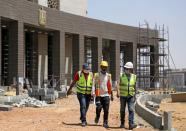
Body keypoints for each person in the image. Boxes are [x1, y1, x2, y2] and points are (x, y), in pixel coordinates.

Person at [92, 60, 113, 128]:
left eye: (105, 67)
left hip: (106, 95)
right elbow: (93, 84)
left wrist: (111, 94)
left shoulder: (109, 76)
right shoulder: (96, 75)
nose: (104, 68)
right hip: (98, 95)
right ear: (101, 67)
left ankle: (105, 122)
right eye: (103, 67)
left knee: (106, 110)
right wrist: (92, 93)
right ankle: (97, 116)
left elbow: (110, 85)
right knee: (99, 107)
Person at [116, 62, 137, 130]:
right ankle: (122, 123)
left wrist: (135, 95)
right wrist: (118, 92)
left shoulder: (134, 76)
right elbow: (118, 84)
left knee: (131, 109)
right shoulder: (121, 75)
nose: (126, 69)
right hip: (123, 96)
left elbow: (135, 86)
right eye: (126, 68)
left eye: (128, 68)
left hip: (131, 95)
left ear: (131, 69)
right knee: (122, 110)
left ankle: (131, 124)